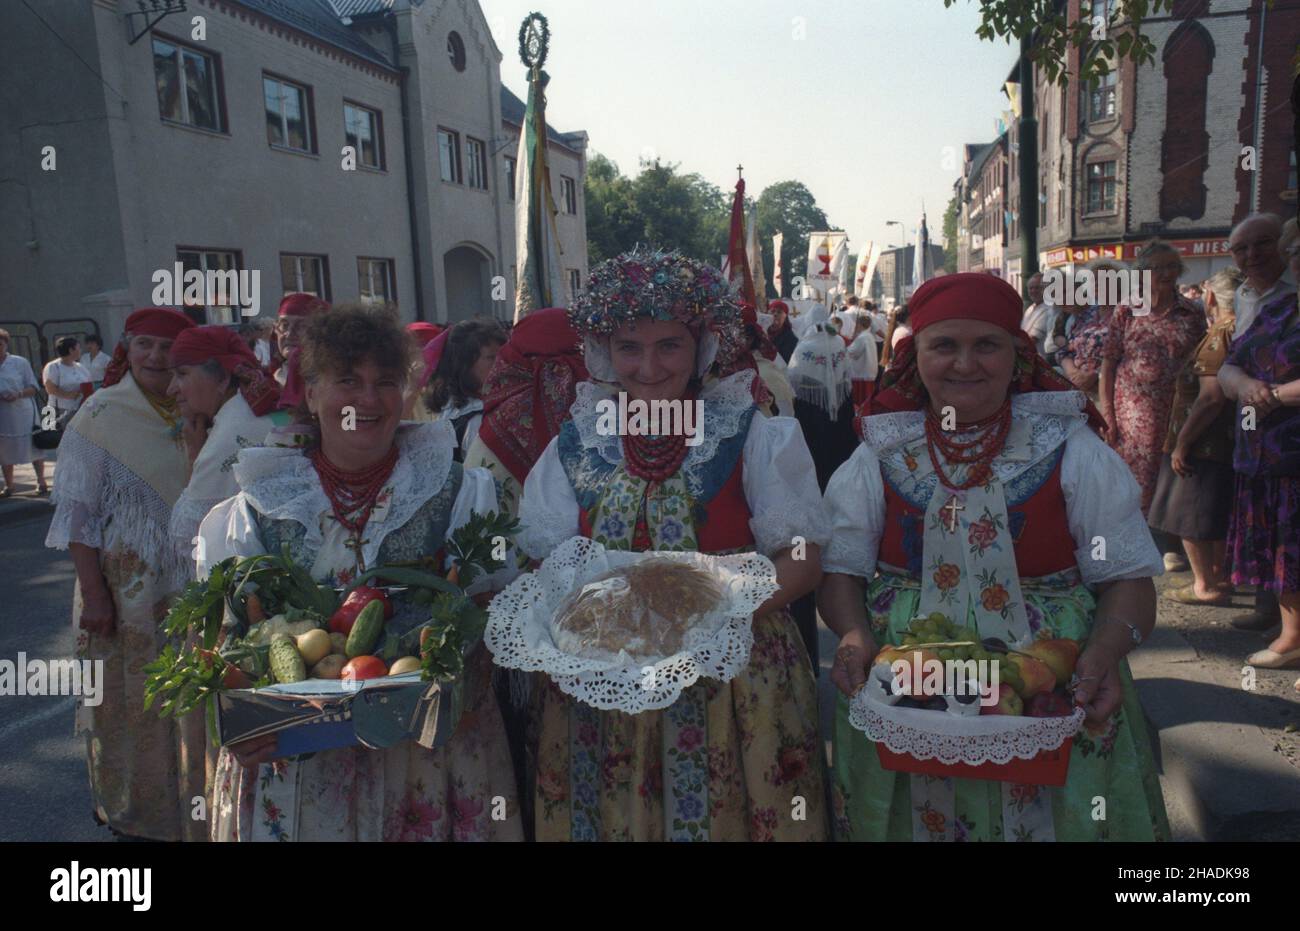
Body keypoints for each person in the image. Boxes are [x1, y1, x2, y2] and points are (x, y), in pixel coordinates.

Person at [820, 273, 1168, 841]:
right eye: (944, 346)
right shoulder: (880, 455)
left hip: (1047, 696)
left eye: (987, 345)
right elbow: (842, 573)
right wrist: (854, 637)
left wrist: (1106, 649)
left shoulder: (1071, 449)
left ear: (1017, 353)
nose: (965, 364)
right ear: (915, 356)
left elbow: (1127, 579)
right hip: (911, 695)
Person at [518, 249, 829, 841]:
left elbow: (802, 559)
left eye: (669, 346)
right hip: (603, 680)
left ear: (701, 349)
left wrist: (709, 623)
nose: (649, 366)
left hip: (729, 680)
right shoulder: (577, 443)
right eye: (629, 347)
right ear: (604, 353)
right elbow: (547, 560)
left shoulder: (751, 432)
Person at [196, 304, 522, 841]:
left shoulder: (464, 493)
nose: (367, 401)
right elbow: (218, 633)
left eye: (386, 382)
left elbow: (497, 607)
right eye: (347, 380)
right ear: (311, 392)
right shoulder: (258, 503)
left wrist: (459, 666)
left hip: (424, 758)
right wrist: (232, 718)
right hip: (297, 761)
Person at [45, 307, 199, 840]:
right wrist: (96, 598)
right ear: (127, 350)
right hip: (126, 593)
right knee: (134, 708)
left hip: (194, 588)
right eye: (146, 346)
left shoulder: (205, 407)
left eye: (169, 348)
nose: (156, 357)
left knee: (195, 703)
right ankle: (140, 818)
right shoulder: (101, 415)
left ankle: (198, 812)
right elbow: (77, 519)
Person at [1217, 221, 1300, 681]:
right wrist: (1247, 385)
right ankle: (1290, 637)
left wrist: (1271, 394)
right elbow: (1231, 365)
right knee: (1285, 547)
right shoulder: (1279, 308)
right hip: (1267, 453)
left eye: (1263, 244)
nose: (1251, 255)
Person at [1147, 268, 1243, 605]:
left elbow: (1210, 397)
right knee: (1211, 514)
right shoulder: (1235, 330)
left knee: (1189, 514)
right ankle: (1218, 578)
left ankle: (1204, 584)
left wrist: (1182, 443)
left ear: (1212, 297)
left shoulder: (1220, 335)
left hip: (1203, 442)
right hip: (1220, 441)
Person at [1098, 242, 1207, 515]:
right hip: (1131, 417)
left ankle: (1165, 539)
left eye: (1171, 265)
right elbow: (1108, 365)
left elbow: (1201, 363)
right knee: (1129, 483)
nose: (1165, 273)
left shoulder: (1192, 312)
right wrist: (1107, 416)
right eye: (1156, 267)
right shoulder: (1127, 309)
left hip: (1175, 410)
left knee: (1170, 477)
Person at [166, 325, 283, 564]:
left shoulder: (231, 429)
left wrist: (195, 455)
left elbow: (188, 537)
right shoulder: (252, 407)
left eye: (182, 374)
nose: (171, 388)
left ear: (222, 378)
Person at [420, 319, 506, 457]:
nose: (501, 363)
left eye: (502, 356)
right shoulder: (476, 421)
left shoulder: (453, 405)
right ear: (465, 364)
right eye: (491, 357)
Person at [1057, 260, 1125, 400]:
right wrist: (1072, 373)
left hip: (1109, 390)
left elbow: (1129, 355)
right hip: (1078, 389)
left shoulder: (1127, 314)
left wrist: (1094, 375)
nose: (1096, 285)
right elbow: (1065, 351)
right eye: (1093, 281)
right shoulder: (1086, 314)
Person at [0, 328, 48, 496]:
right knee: (4, 449)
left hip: (22, 411)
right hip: (3, 413)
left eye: (1, 344)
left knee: (32, 445)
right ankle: (9, 485)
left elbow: (33, 387)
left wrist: (18, 394)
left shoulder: (19, 362)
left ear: (6, 344)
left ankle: (41, 481)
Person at [271, 292, 329, 408]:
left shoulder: (329, 380)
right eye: (284, 325)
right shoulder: (266, 381)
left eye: (301, 326)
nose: (289, 334)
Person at [43, 336, 92, 420]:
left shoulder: (80, 367)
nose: (81, 351)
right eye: (78, 348)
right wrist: (67, 395)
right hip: (61, 411)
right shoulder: (53, 367)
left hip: (81, 409)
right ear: (71, 350)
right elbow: (50, 388)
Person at [1021, 272, 1060, 360]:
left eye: (1037, 288)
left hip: (1041, 361)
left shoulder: (1049, 309)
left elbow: (1032, 340)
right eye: (1031, 288)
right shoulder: (1030, 308)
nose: (1033, 291)